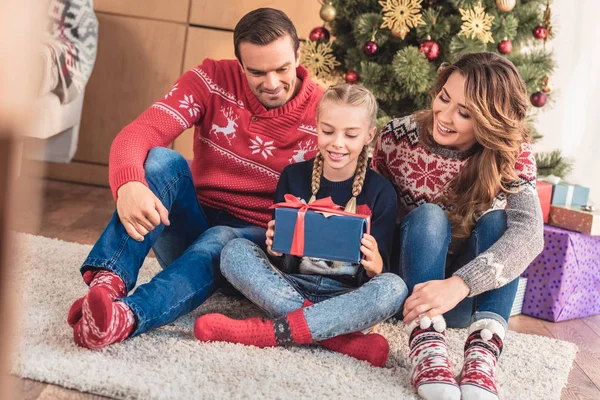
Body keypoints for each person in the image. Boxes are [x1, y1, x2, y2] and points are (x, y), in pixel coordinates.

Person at [67, 8, 324, 349]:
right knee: (160, 160)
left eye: (282, 68)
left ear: (298, 55)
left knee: (221, 237)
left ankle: (124, 318)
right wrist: (128, 184)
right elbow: (138, 133)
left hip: (252, 248)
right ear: (239, 63)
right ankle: (106, 285)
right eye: (257, 72)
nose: (272, 83)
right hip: (191, 223)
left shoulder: (323, 114)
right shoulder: (212, 80)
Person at [193, 84, 408, 368]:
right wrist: (275, 248)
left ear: (369, 135)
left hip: (348, 297)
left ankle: (270, 332)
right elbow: (283, 263)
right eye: (328, 131)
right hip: (292, 287)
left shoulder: (381, 191)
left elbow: (378, 274)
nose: (337, 143)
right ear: (316, 127)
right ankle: (337, 338)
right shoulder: (294, 177)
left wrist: (375, 263)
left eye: (351, 135)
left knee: (394, 287)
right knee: (234, 252)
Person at [372, 52, 544, 399]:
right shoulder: (398, 136)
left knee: (501, 221)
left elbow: (531, 235)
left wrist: (460, 284)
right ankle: (426, 342)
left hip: (463, 301)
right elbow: (373, 213)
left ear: (491, 120)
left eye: (464, 113)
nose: (445, 116)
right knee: (429, 215)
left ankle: (483, 350)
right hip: (407, 291)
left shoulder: (512, 153)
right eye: (443, 98)